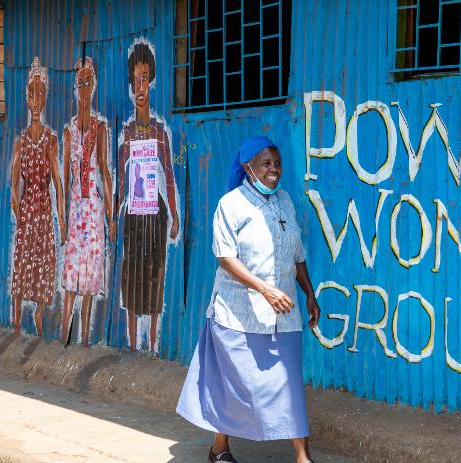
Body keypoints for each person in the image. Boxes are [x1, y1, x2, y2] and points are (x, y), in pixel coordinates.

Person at [176, 136, 321, 463]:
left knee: (290, 385)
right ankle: (219, 447)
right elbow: (225, 257)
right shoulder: (231, 204)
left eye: (278, 163)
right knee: (233, 385)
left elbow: (296, 254)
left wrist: (309, 293)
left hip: (283, 315)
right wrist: (264, 289)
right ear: (248, 167)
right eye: (266, 164)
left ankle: (302, 456)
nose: (274, 170)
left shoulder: (284, 200)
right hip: (238, 314)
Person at [117, 40, 179, 352]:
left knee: (154, 273)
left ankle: (153, 344)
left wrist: (176, 214)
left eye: (144, 78)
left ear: (150, 80)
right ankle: (132, 343)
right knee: (131, 276)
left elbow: (168, 173)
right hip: (133, 214)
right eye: (134, 80)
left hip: (155, 213)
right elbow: (119, 179)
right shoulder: (127, 134)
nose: (139, 86)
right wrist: (115, 212)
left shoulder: (159, 132)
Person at [10, 56, 66, 336]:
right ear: (26, 97)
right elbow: (14, 180)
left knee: (43, 261)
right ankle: (16, 316)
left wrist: (62, 220)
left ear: (45, 99)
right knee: (22, 259)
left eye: (39, 94)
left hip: (43, 212)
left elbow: (57, 181)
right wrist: (15, 206)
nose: (35, 100)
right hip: (27, 210)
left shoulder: (51, 140)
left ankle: (40, 313)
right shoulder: (21, 140)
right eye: (31, 93)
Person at [61, 56, 115, 346]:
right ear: (75, 86)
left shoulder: (101, 127)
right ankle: (64, 339)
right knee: (71, 273)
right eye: (79, 83)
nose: (83, 88)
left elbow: (105, 170)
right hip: (76, 208)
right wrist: (62, 214)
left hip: (93, 208)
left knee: (91, 274)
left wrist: (111, 213)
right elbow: (65, 172)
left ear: (94, 86)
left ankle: (82, 341)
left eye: (88, 83)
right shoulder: (69, 131)